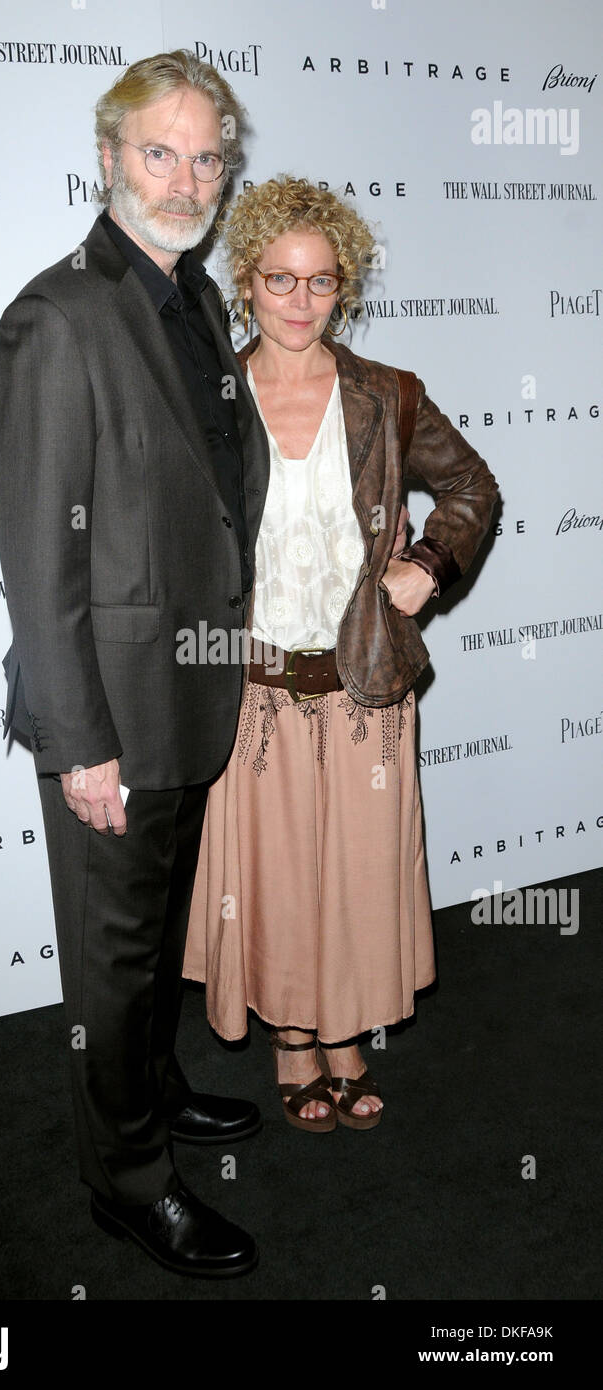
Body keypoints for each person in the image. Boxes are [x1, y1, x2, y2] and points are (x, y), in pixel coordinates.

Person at [0, 51, 274, 1279]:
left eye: (208, 154)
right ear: (108, 157)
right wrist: (79, 739)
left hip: (188, 687)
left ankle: (155, 1084)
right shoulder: (58, 317)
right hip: (111, 711)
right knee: (110, 960)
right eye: (160, 152)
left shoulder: (193, 298)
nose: (186, 176)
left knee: (152, 936)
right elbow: (38, 563)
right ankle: (128, 1180)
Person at [183, 176, 499, 1131]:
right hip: (256, 693)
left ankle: (348, 1030)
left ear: (344, 289)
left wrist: (426, 569)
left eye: (321, 283)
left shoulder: (387, 395)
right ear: (247, 281)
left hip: (366, 683)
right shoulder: (211, 396)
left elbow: (473, 489)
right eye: (280, 279)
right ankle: (292, 1037)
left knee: (357, 872)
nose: (299, 301)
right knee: (277, 878)